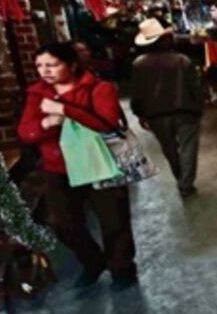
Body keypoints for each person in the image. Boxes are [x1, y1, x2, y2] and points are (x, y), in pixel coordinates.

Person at [17, 42, 138, 290]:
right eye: (39, 66)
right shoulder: (37, 94)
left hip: (100, 162)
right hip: (59, 168)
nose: (45, 71)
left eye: (52, 64)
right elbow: (25, 132)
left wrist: (64, 110)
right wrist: (46, 124)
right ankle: (93, 261)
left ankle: (122, 268)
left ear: (71, 65)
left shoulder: (98, 88)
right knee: (62, 222)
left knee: (114, 220)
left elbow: (104, 122)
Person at [131, 18, 203, 197]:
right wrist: (199, 108)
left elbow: (137, 92)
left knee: (170, 150)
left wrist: (139, 113)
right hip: (185, 111)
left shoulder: (139, 64)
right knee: (188, 148)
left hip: (156, 115)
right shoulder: (182, 61)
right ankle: (185, 183)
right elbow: (196, 87)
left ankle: (181, 178)